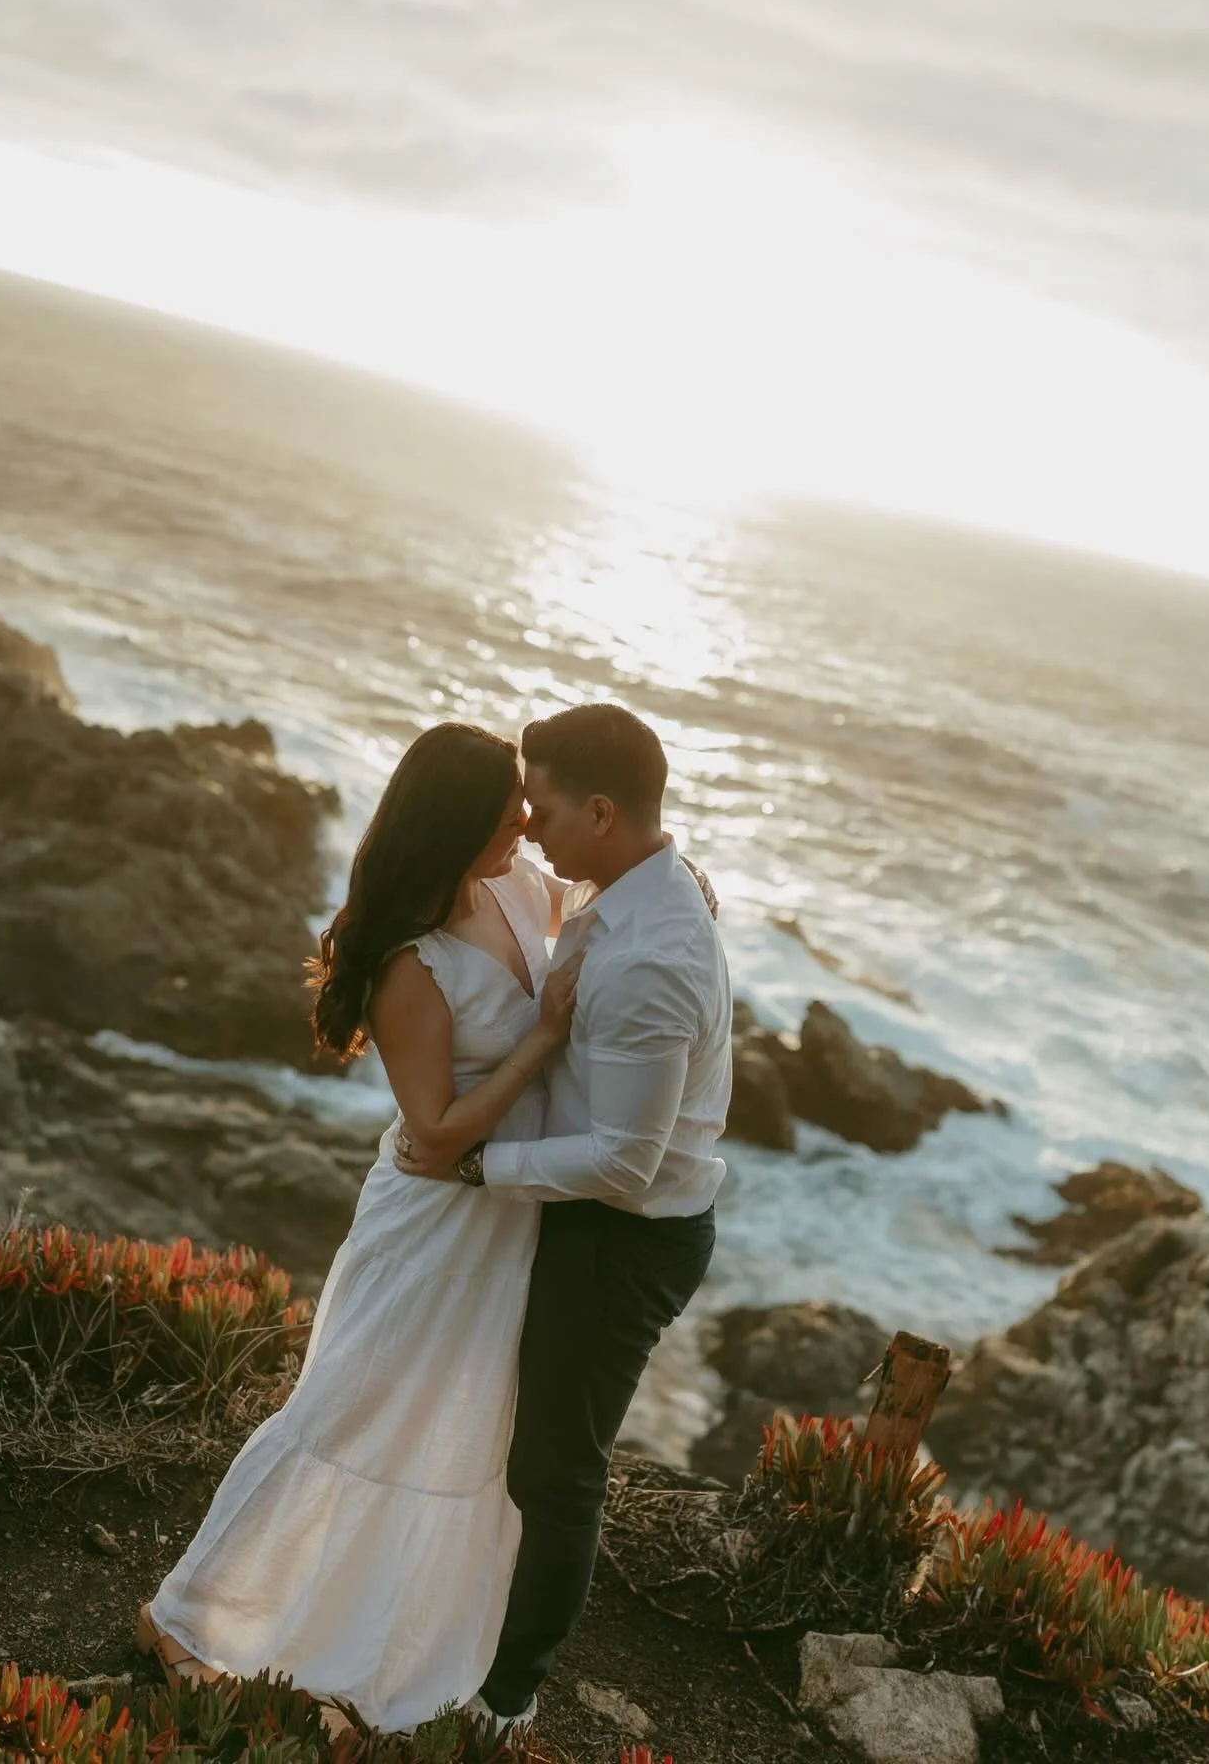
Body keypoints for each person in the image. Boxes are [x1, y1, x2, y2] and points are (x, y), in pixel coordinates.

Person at [137, 721, 584, 1731]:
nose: (526, 821)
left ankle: (375, 1643)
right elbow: (436, 1129)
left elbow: (589, 899)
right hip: (431, 1223)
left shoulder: (516, 886)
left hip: (505, 1223)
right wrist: (546, 1040)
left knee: (458, 1429)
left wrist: (673, 884)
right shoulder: (408, 964)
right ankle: (188, 1615)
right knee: (347, 1412)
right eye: (506, 809)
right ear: (454, 826)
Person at [396, 703, 733, 1732]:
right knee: (520, 1443)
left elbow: (627, 1163)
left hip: (623, 1235)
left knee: (558, 1472)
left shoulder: (648, 959)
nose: (527, 828)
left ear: (601, 813)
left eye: (540, 810)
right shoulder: (630, 888)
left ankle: (507, 1699)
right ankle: (463, 1628)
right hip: (582, 1213)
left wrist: (477, 1166)